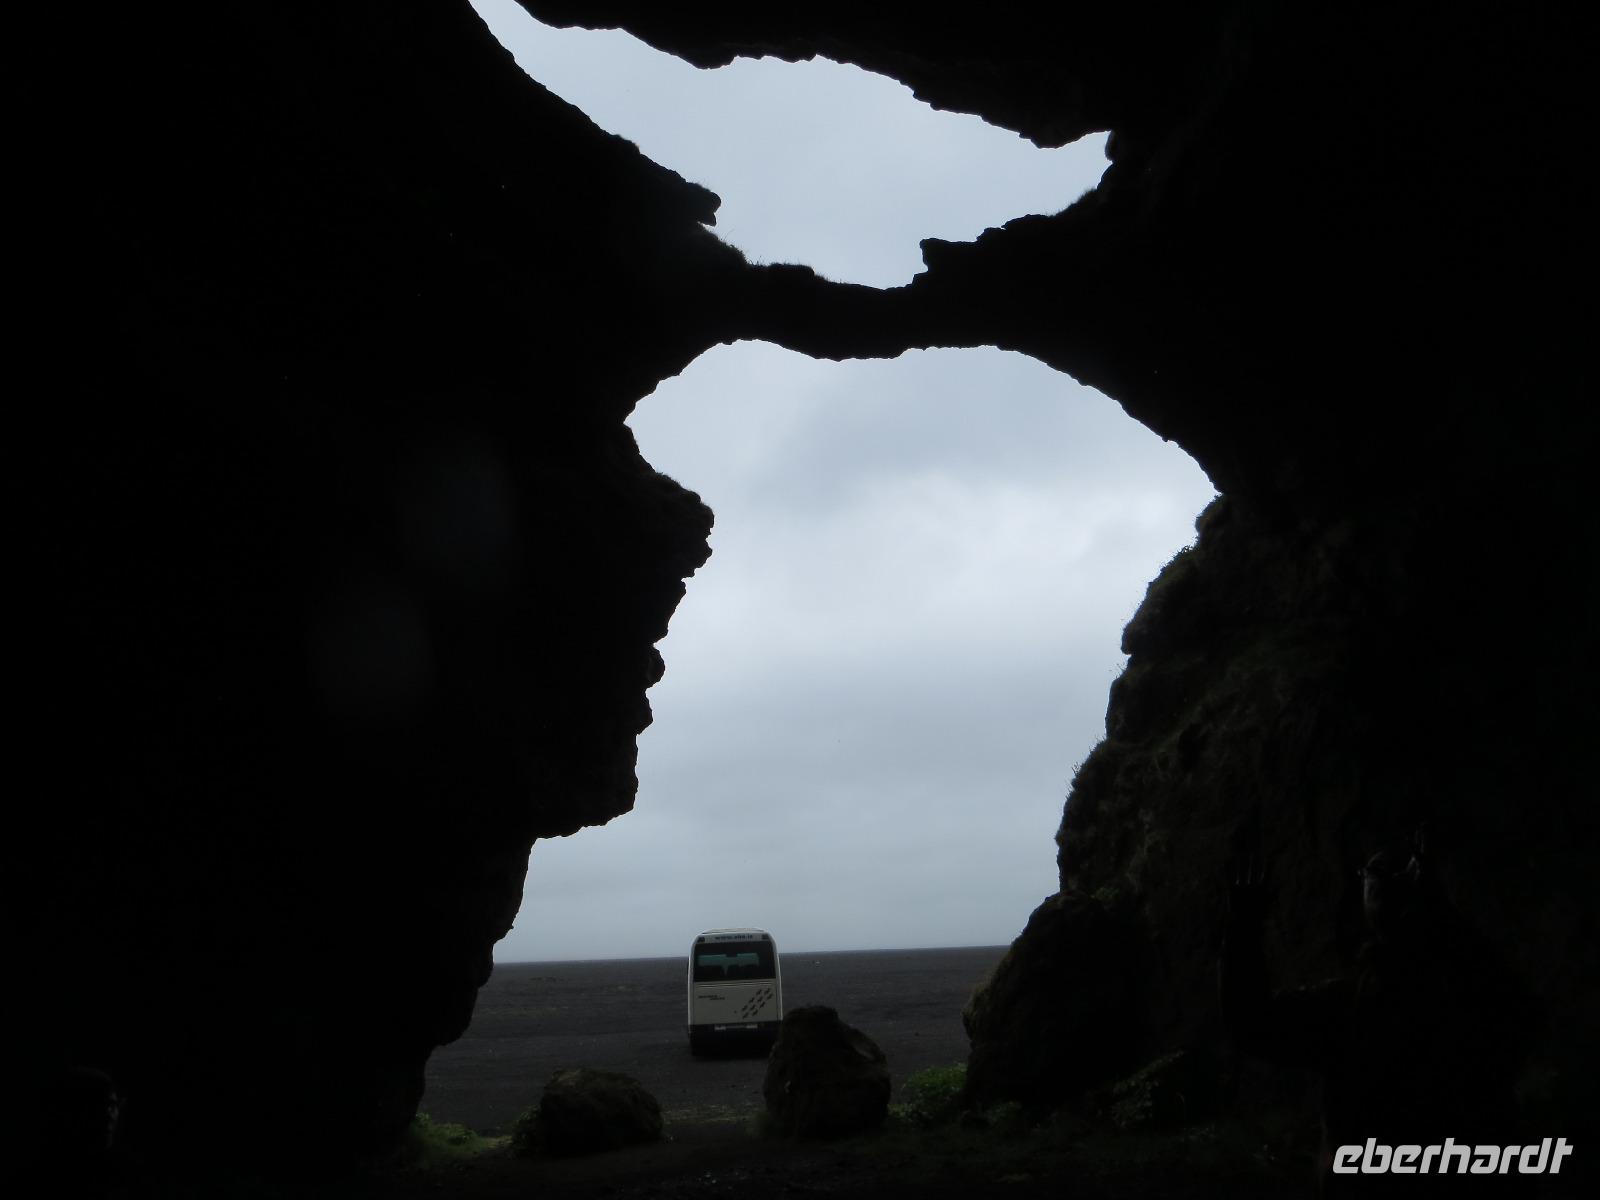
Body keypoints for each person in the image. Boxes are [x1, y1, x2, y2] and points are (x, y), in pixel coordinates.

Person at [1220, 830, 1533, 1195]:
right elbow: (1520, 1014)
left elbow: (1252, 1024)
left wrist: (1242, 930)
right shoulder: (1473, 994)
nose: (1380, 876)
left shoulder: (1351, 1008)